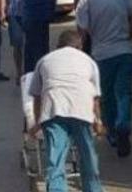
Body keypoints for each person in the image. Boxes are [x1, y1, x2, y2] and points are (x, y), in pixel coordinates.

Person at [76, 0, 132, 158]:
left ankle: (112, 132)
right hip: (125, 51)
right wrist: (130, 33)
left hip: (102, 55)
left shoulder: (87, 0)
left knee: (106, 96)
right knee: (123, 93)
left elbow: (83, 31)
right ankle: (124, 124)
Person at [28, 30, 103, 192]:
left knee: (56, 161)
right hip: (82, 112)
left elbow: (37, 96)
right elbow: (95, 98)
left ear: (57, 46)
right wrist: (98, 122)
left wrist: (37, 122)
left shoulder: (45, 60)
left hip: (54, 112)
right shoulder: (89, 62)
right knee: (88, 158)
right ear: (80, 47)